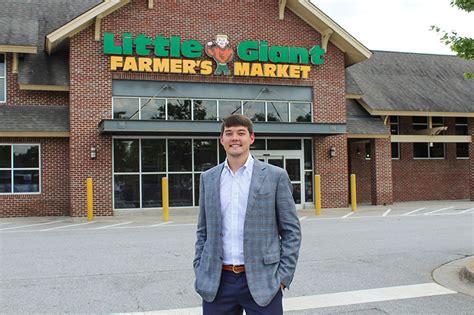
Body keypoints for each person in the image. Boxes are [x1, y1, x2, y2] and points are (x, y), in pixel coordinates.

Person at [193, 114, 302, 314]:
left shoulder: (275, 176)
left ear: (251, 138)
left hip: (264, 281)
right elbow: (203, 230)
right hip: (218, 283)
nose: (235, 138)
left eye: (241, 133)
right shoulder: (208, 178)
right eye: (229, 133)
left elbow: (291, 231)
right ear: (222, 140)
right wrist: (200, 269)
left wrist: (283, 278)